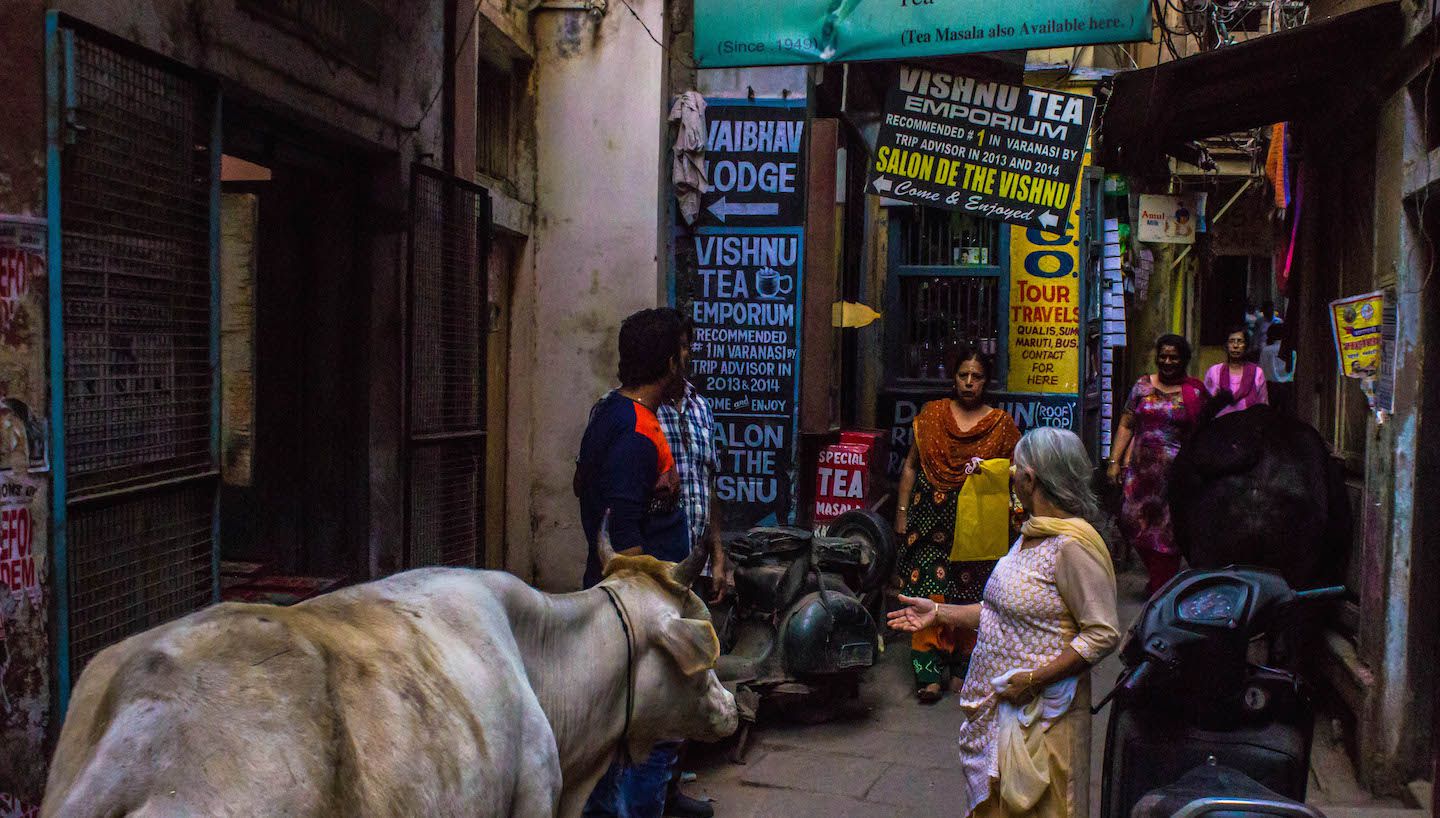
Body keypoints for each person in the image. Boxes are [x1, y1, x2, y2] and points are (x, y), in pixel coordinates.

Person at [889, 428, 1120, 817]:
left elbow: (1102, 633)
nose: (1011, 475)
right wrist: (940, 613)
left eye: (1016, 469)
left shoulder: (1072, 547)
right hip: (1006, 714)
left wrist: (1034, 680)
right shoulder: (1032, 533)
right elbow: (1000, 611)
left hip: (1043, 719)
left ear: (1030, 479)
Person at [575, 307, 691, 818]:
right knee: (651, 726)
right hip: (638, 614)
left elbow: (585, 488)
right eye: (684, 352)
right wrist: (667, 604)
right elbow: (622, 538)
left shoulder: (612, 413)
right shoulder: (635, 435)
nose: (688, 360)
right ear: (669, 362)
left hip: (630, 608)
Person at [894, 344, 1021, 703]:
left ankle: (964, 669)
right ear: (953, 377)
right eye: (963, 375)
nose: (969, 383)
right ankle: (928, 674)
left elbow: (1017, 474)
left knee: (970, 594)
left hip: (976, 529)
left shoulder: (1000, 425)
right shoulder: (932, 415)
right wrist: (901, 516)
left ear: (986, 381)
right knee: (928, 593)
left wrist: (989, 469)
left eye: (976, 377)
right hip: (927, 522)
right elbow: (910, 466)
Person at [654, 317, 724, 818]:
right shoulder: (636, 414)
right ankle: (644, 796)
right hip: (655, 571)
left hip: (694, 565)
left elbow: (708, 482)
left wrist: (720, 553)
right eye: (679, 349)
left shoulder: (700, 407)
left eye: (687, 347)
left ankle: (669, 788)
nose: (686, 357)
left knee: (688, 674)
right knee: (653, 681)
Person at [1107, 334, 1208, 596]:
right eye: (1163, 356)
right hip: (1140, 475)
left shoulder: (1195, 392)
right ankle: (1158, 579)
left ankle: (1162, 586)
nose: (1167, 362)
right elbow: (1127, 423)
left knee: (1167, 532)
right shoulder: (1142, 386)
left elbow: (1203, 434)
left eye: (1173, 357)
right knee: (1131, 521)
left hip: (1175, 478)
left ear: (1184, 360)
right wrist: (1115, 461)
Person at [1203, 326, 1268, 418]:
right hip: (1219, 426)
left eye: (1240, 341)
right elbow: (1207, 402)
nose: (1235, 346)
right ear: (1226, 345)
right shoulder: (1214, 371)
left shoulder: (1257, 373)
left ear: (1246, 345)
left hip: (1248, 425)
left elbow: (1262, 404)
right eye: (1231, 341)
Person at [1258, 322, 1296, 416]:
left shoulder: (1266, 351)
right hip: (1288, 387)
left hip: (1270, 388)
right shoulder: (1293, 352)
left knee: (1270, 416)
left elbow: (1261, 371)